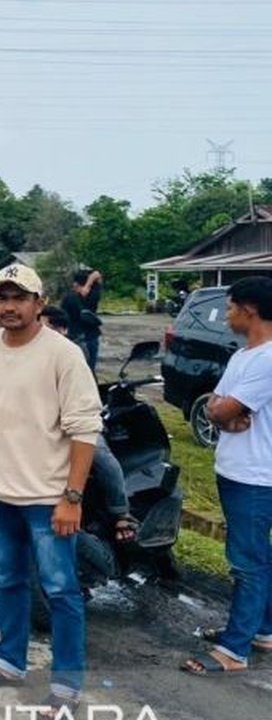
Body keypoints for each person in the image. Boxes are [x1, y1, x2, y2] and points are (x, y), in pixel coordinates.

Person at [0, 264, 102, 717]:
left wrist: (72, 498)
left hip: (48, 501)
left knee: (61, 592)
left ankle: (66, 687)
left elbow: (85, 431)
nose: (9, 307)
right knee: (8, 582)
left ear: (39, 304)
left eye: (19, 298)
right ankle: (9, 663)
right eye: (2, 298)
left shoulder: (62, 355)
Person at [181, 277, 272, 677]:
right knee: (256, 556)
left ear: (249, 310)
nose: (228, 315)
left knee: (246, 561)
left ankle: (234, 649)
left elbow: (219, 411)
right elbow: (214, 407)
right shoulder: (243, 357)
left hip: (257, 476)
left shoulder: (268, 359)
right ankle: (263, 629)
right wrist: (225, 410)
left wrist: (225, 411)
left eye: (232, 307)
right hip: (235, 470)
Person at [42, 306, 137, 542]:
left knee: (101, 456)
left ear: (62, 329)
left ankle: (120, 511)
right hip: (43, 424)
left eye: (45, 326)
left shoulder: (73, 352)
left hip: (78, 420)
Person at [61, 269, 103, 372]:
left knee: (74, 371)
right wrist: (88, 284)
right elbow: (97, 274)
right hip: (92, 336)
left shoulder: (69, 298)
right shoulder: (94, 295)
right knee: (90, 371)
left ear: (75, 284)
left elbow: (61, 317)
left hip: (74, 337)